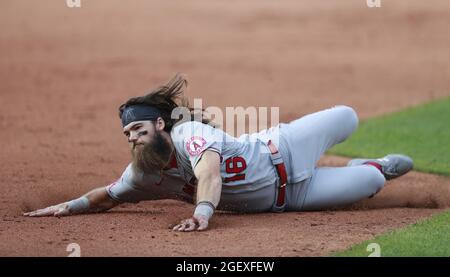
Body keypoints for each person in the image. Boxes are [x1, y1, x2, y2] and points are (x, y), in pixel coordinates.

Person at [23, 74, 414, 232]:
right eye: (127, 133)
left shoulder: (188, 133)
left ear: (160, 125)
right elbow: (107, 197)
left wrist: (202, 214)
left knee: (347, 116)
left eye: (138, 128)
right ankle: (370, 166)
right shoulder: (142, 177)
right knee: (372, 180)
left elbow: (209, 173)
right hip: (292, 199)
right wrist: (67, 206)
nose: (131, 138)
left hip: (287, 147)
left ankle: (347, 156)